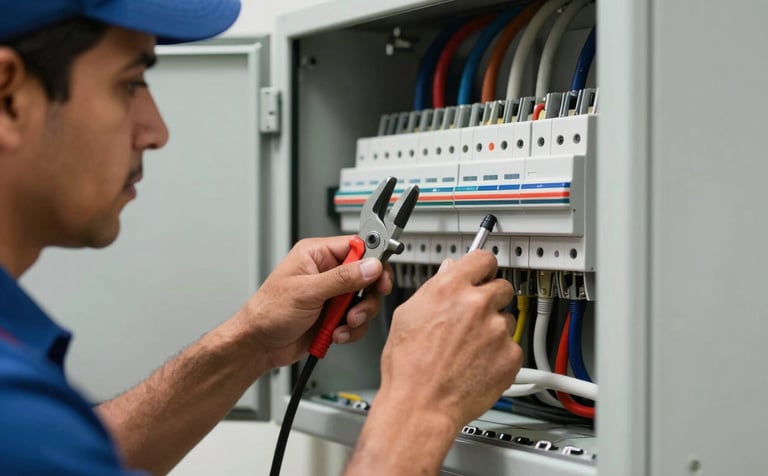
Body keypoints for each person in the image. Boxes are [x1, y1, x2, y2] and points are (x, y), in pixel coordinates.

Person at [0, 1, 523, 474]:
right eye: (131, 82)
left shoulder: (25, 413)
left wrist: (250, 342)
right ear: (8, 97)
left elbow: (77, 454)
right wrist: (421, 407)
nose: (157, 130)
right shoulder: (17, 411)